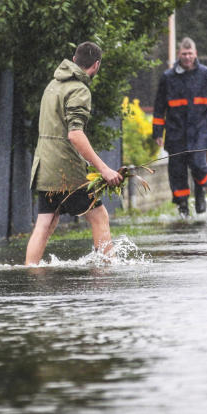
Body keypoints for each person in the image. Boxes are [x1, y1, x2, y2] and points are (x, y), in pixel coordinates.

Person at [25, 42, 122, 266]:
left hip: (44, 166)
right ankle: (106, 271)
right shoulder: (79, 90)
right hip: (66, 169)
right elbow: (75, 134)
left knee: (45, 223)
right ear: (96, 65)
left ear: (74, 59)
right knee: (99, 217)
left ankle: (30, 272)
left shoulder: (52, 85)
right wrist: (104, 169)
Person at [152, 37, 207, 216]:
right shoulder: (168, 77)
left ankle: (200, 191)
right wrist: (157, 132)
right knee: (177, 170)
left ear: (195, 54)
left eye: (190, 54)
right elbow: (159, 107)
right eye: (184, 54)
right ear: (179, 55)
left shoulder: (205, 74)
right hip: (175, 131)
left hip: (199, 130)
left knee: (198, 164)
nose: (187, 57)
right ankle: (182, 206)